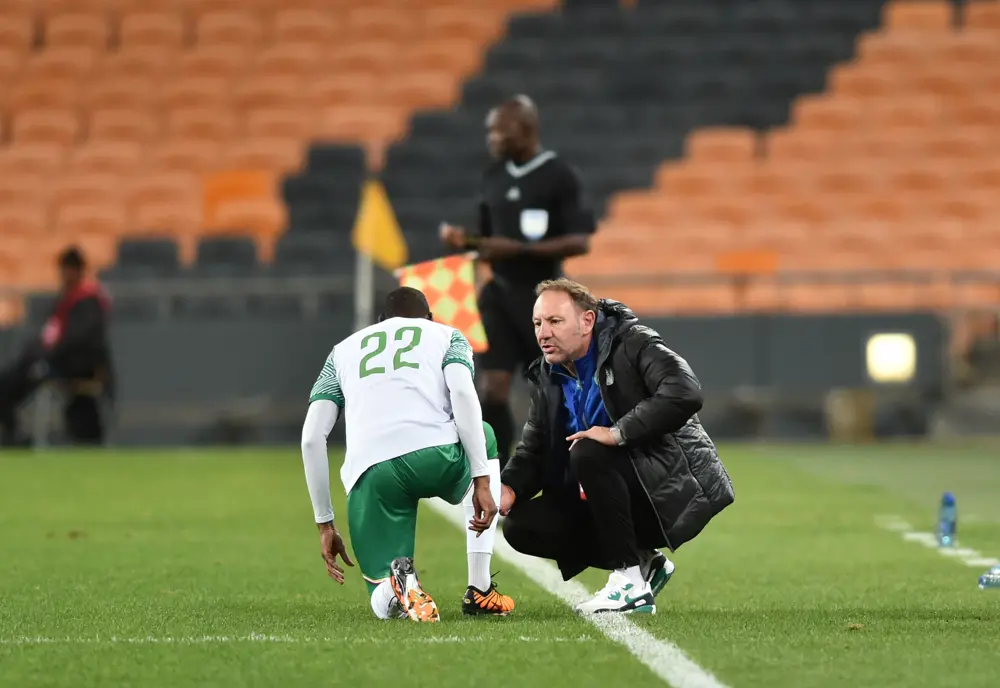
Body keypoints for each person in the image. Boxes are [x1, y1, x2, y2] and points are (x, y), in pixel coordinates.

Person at [499, 279, 735, 615]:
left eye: (554, 321)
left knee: (590, 450)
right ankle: (644, 562)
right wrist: (509, 487)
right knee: (521, 526)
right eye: (538, 323)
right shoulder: (549, 375)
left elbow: (685, 391)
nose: (543, 333)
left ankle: (629, 584)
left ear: (587, 321)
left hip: (670, 491)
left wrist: (617, 433)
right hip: (610, 493)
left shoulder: (633, 342)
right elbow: (534, 448)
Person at [300, 286, 515, 622]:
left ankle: (401, 584)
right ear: (428, 319)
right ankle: (480, 589)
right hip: (438, 456)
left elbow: (312, 438)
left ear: (380, 322)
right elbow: (462, 394)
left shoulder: (341, 352)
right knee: (484, 433)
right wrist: (482, 479)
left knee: (381, 601)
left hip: (372, 472)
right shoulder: (448, 336)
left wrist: (325, 524)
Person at [440, 94, 596, 467]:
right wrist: (467, 241)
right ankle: (495, 468)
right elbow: (487, 241)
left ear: (524, 130)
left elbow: (579, 240)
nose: (492, 138)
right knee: (493, 384)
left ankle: (562, 463)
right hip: (499, 294)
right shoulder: (493, 176)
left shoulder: (558, 175)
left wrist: (520, 249)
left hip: (545, 298)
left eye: (498, 130)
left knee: (549, 386)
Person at [0, 246, 113, 447]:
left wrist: (48, 354)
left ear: (77, 271)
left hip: (74, 364)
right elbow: (50, 333)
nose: (63, 275)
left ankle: (13, 434)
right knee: (12, 378)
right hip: (54, 359)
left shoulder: (86, 301)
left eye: (67, 270)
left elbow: (78, 340)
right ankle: (12, 431)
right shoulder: (65, 300)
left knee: (21, 376)